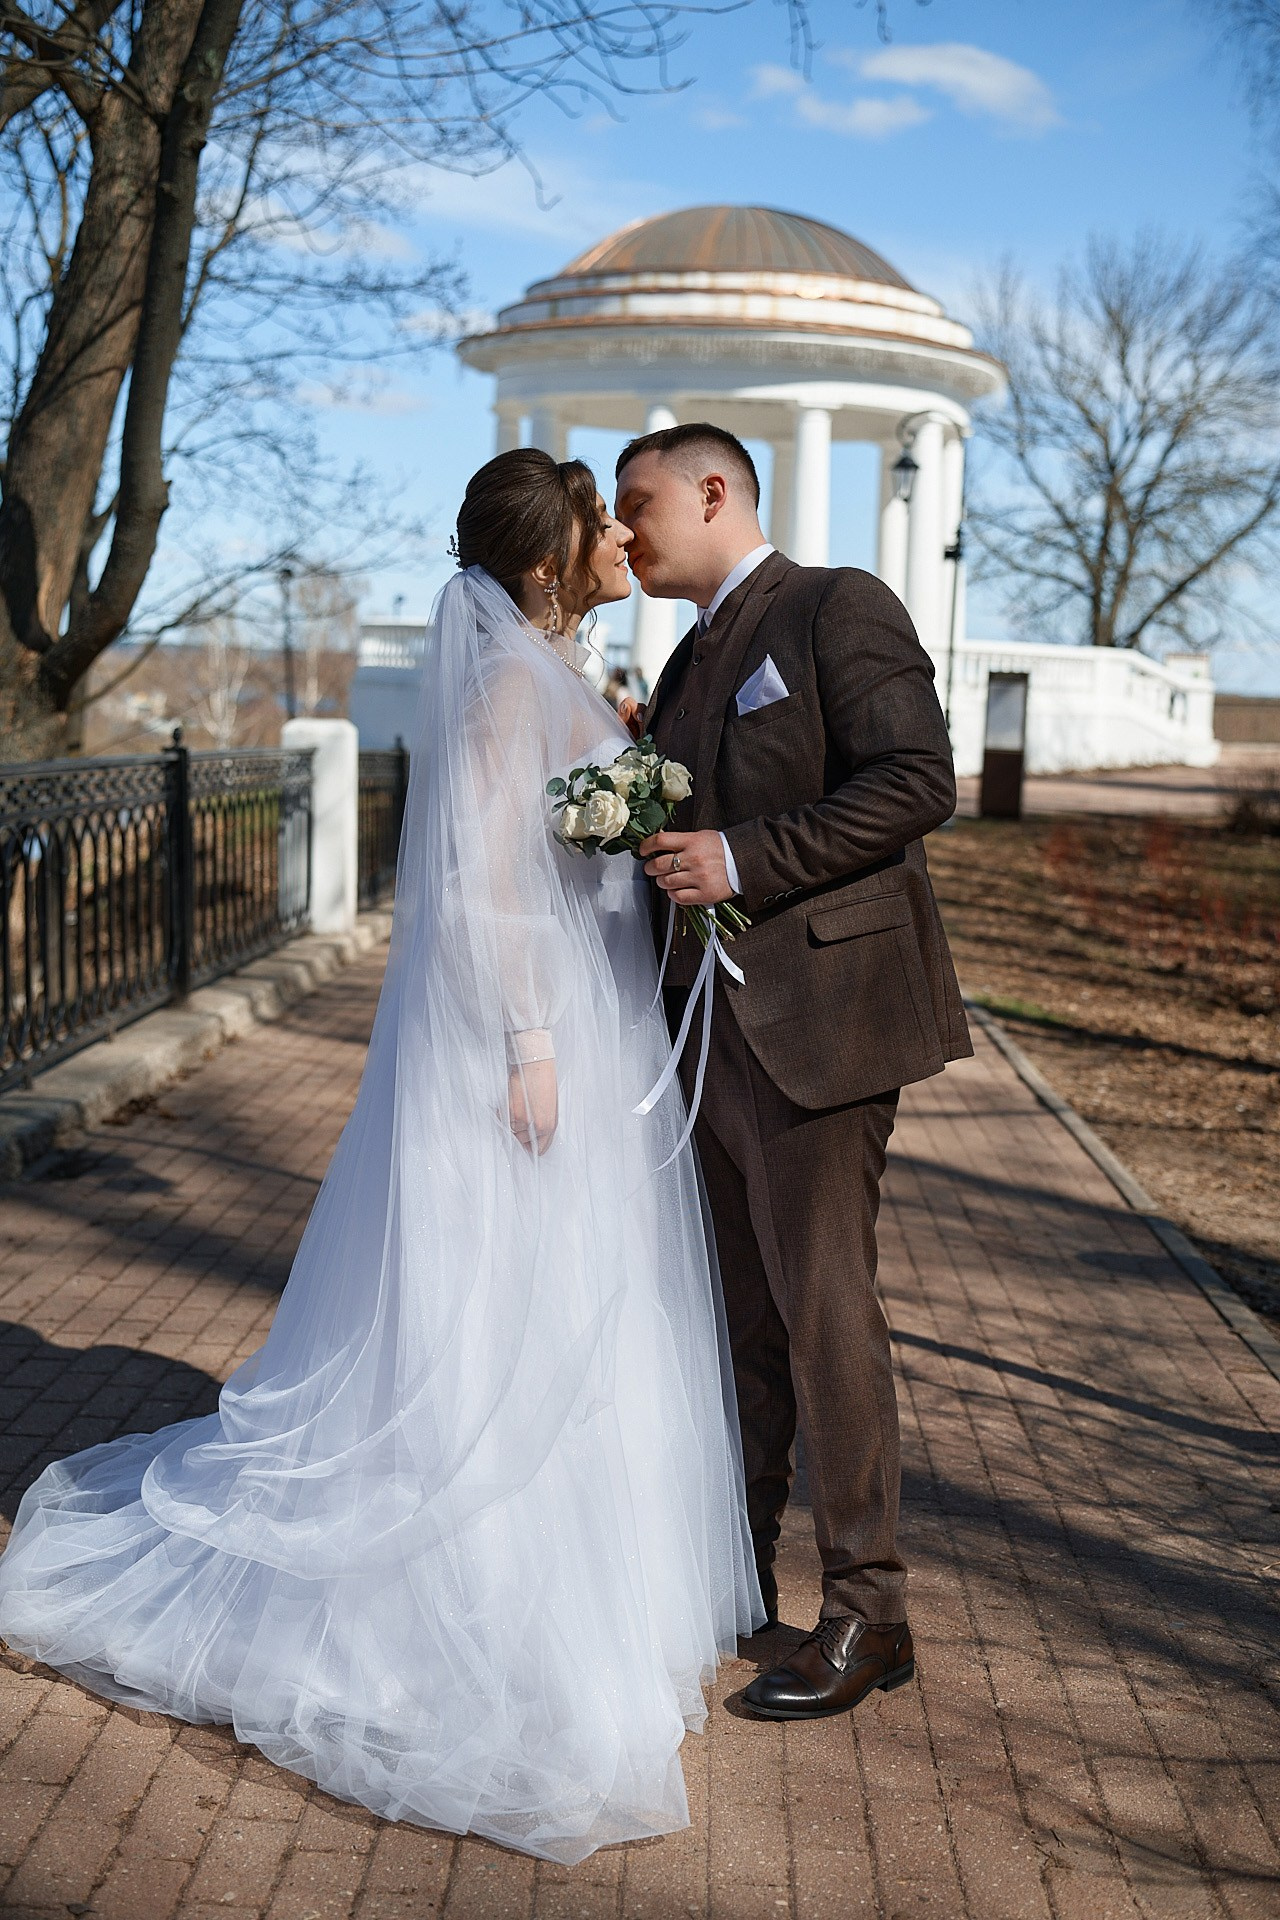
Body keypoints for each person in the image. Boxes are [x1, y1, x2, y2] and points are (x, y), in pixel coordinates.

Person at [0, 448, 762, 1863]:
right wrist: (533, 1041)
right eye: (596, 523)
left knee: (581, 1307)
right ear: (547, 567)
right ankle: (475, 1602)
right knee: (501, 1306)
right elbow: (482, 885)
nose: (616, 536)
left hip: (579, 1034)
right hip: (523, 1049)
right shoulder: (500, 693)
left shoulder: (558, 675)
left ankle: (591, 1591)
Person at [614, 422, 970, 1722]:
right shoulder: (687, 654)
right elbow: (676, 828)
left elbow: (918, 779)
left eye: (637, 501)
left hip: (822, 1028)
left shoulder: (837, 607)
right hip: (704, 1032)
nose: (622, 527)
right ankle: (737, 1578)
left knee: (825, 1316)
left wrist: (743, 859)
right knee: (740, 1325)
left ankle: (871, 1614)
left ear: (716, 490)